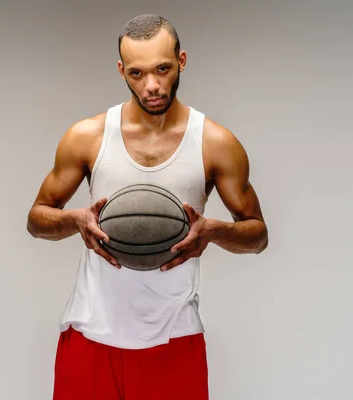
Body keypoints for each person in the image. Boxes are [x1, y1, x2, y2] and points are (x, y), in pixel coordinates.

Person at [26, 14, 268, 400]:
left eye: (163, 69)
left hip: (174, 337)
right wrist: (75, 221)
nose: (152, 85)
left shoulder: (215, 143)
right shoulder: (87, 137)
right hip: (90, 333)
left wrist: (214, 231)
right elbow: (37, 218)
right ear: (122, 70)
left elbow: (257, 234)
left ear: (182, 61)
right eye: (137, 73)